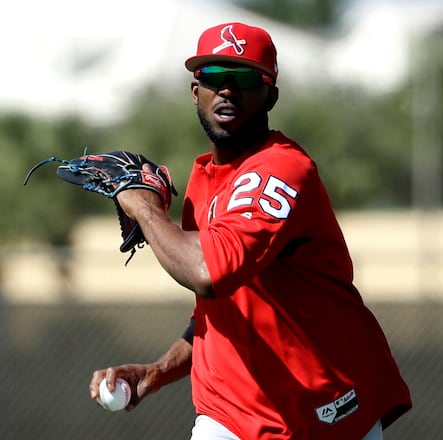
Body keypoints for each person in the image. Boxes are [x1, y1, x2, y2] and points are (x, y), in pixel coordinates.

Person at [88, 22, 412, 440]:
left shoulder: (282, 167)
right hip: (231, 416)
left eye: (243, 78)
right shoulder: (205, 178)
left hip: (324, 414)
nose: (227, 89)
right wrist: (159, 371)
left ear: (270, 95)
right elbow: (219, 314)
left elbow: (210, 273)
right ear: (195, 91)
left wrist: (142, 208)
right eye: (213, 77)